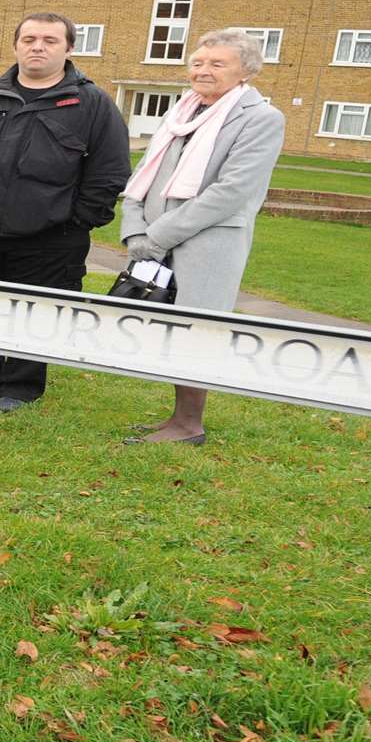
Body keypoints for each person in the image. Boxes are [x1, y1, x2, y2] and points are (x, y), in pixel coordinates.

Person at [0, 13, 130, 413]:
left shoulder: (91, 103)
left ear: (69, 48)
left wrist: (77, 220)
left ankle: (19, 387)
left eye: (50, 40)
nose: (38, 46)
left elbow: (110, 172)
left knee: (36, 311)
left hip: (50, 237)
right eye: (30, 39)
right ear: (16, 45)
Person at [119, 28, 285, 446]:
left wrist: (157, 235)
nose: (203, 71)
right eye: (198, 62)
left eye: (217, 64)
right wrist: (134, 228)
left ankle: (189, 424)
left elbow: (231, 192)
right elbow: (144, 175)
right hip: (155, 241)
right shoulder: (181, 113)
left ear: (245, 71)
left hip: (208, 246)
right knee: (166, 328)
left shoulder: (261, 118)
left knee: (197, 331)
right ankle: (176, 418)